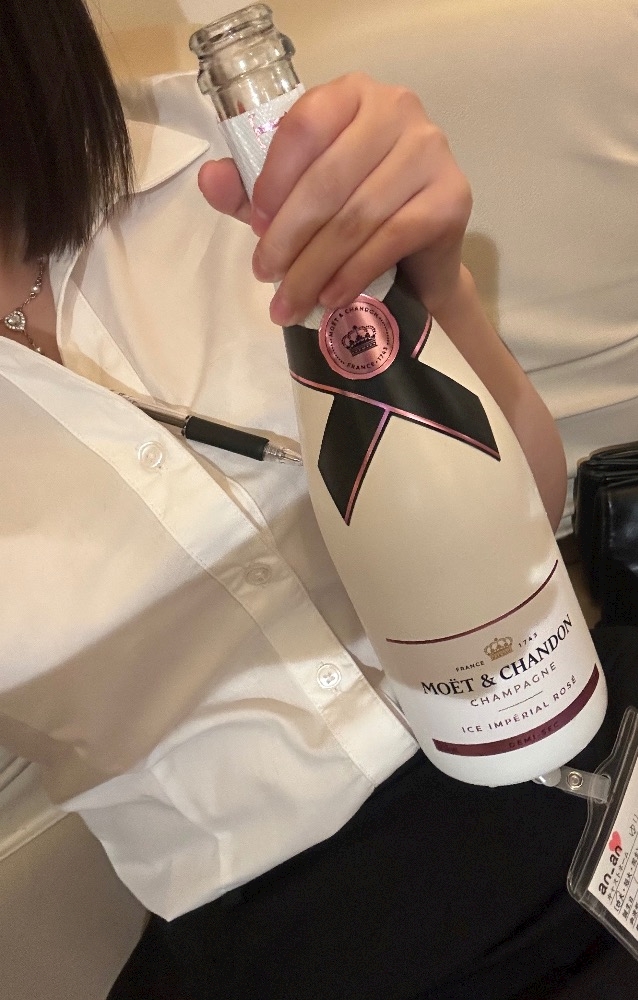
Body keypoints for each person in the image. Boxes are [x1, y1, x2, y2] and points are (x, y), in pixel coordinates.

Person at [1, 2, 638, 999]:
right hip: (281, 929)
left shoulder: (253, 157)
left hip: (560, 727)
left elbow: (525, 497)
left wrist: (436, 291)